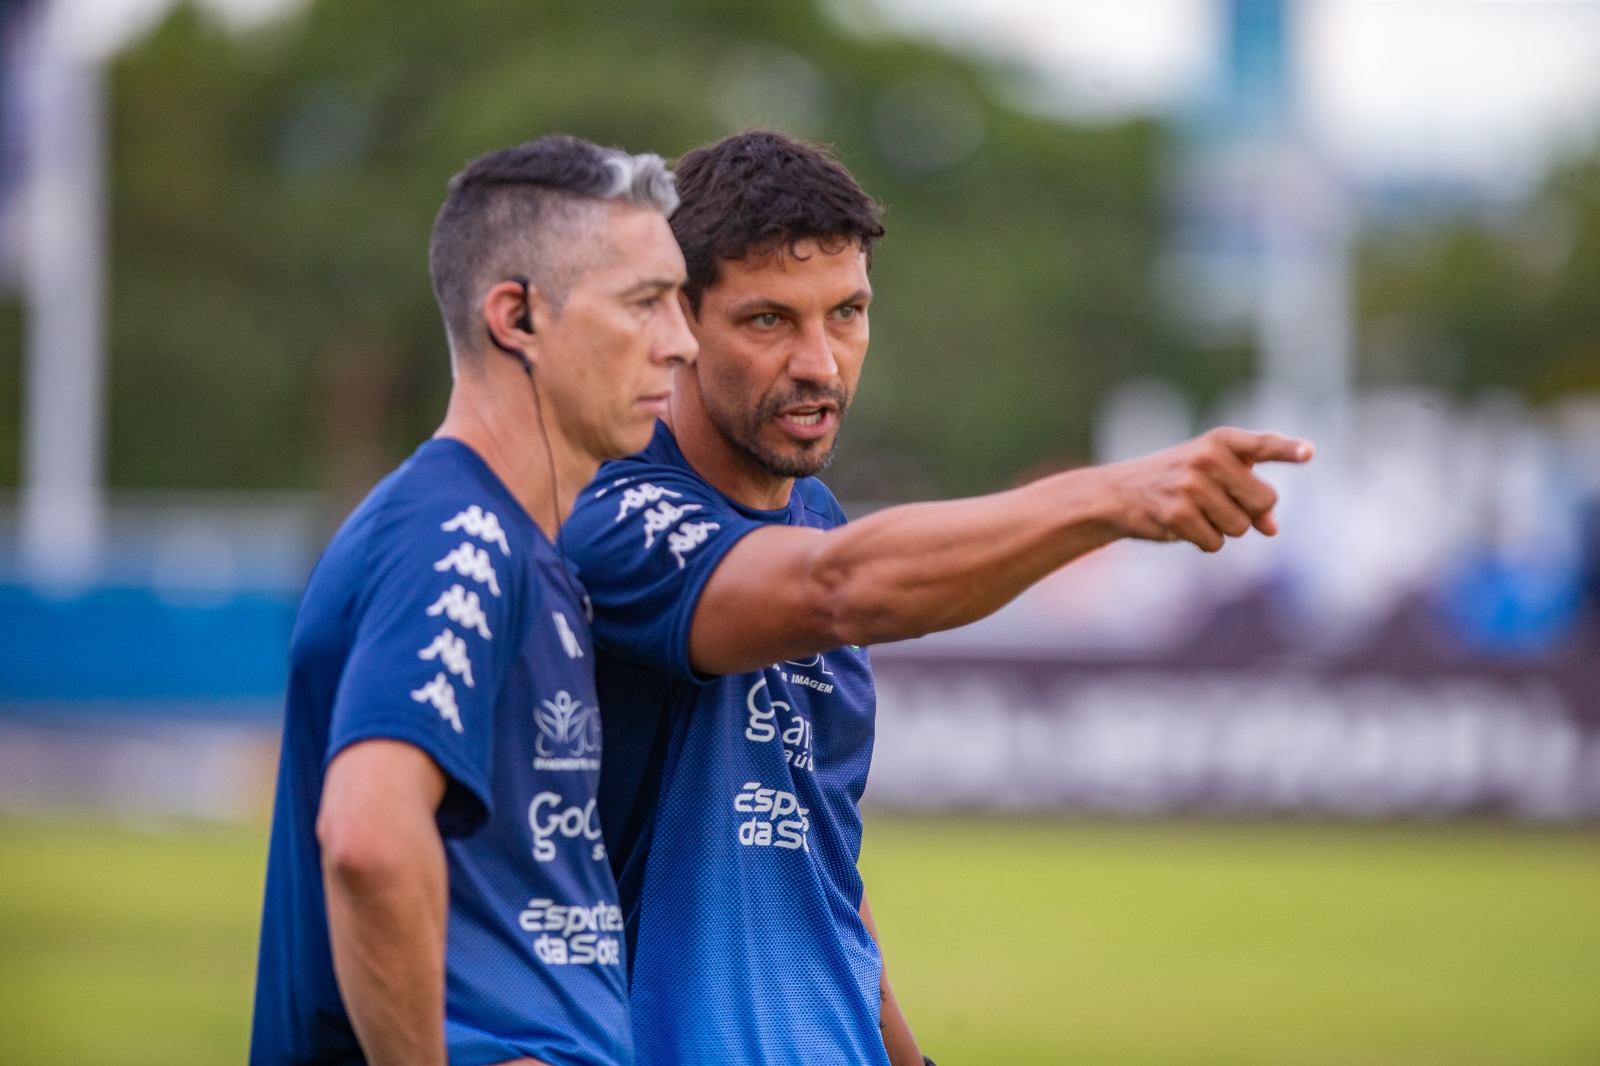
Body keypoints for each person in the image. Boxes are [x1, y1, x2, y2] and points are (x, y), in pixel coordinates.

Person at [562, 129, 1313, 1066]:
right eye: (768, 321)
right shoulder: (609, 509)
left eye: (846, 312)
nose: (820, 363)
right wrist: (1107, 497)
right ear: (675, 321)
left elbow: (817, 850)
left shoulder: (821, 521)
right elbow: (836, 591)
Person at [250, 135, 697, 1066]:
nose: (682, 340)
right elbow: (369, 838)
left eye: (681, 302)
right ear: (516, 318)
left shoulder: (523, 549)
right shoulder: (455, 531)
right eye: (644, 302)